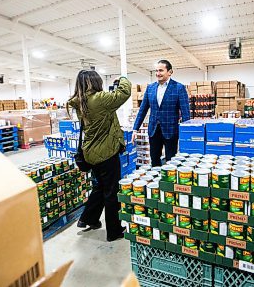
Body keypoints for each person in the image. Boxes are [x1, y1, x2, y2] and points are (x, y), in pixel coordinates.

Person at [67, 70, 131, 242]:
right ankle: (114, 231)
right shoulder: (99, 99)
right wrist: (123, 78)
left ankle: (88, 218)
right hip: (105, 152)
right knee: (111, 191)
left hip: (90, 153)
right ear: (95, 82)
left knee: (100, 187)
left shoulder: (80, 102)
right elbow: (124, 93)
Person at [132, 59, 191, 166]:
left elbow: (186, 113)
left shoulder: (179, 88)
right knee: (154, 160)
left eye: (161, 70)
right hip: (153, 130)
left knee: (171, 161)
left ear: (170, 72)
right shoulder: (150, 88)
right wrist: (135, 129)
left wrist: (186, 134)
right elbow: (142, 110)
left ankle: (168, 182)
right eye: (156, 71)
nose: (158, 73)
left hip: (171, 131)